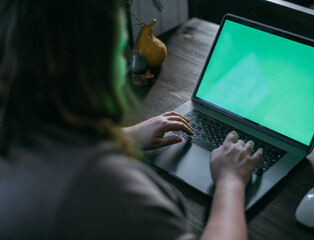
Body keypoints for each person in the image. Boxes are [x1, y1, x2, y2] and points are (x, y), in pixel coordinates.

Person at [0, 0, 263, 239]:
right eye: (118, 48)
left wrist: (122, 136)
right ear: (93, 69)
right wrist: (230, 182)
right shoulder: (109, 190)